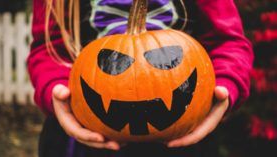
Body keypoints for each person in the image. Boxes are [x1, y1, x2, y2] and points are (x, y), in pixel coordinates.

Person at [27, 0, 254, 156]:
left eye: (166, 59)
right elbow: (48, 48)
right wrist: (56, 92)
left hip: (185, 137)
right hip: (81, 140)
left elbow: (228, 41)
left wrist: (225, 86)